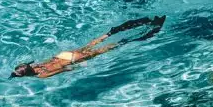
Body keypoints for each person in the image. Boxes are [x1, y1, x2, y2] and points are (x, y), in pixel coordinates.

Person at [10, 16, 166, 79]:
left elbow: (64, 70)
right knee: (105, 37)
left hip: (72, 59)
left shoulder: (40, 74)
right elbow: (54, 64)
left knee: (118, 44)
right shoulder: (37, 66)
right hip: (64, 55)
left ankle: (151, 31)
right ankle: (144, 23)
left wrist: (81, 67)